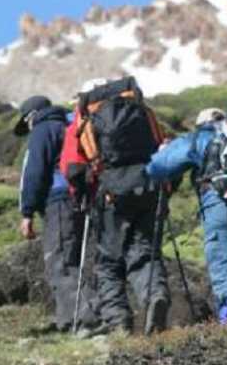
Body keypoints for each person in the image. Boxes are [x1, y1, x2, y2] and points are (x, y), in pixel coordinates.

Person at [61, 77, 170, 335]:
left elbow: (70, 166)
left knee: (108, 261)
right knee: (144, 251)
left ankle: (118, 320)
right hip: (148, 186)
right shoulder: (141, 111)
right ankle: (154, 294)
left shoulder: (84, 119)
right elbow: (162, 146)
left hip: (110, 193)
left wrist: (80, 196)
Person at [145, 108, 227, 324]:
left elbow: (157, 167)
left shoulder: (201, 136)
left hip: (221, 203)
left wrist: (162, 151)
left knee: (224, 269)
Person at [15, 95, 97, 332]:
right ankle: (82, 314)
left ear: (32, 116)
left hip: (58, 200)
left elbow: (34, 172)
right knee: (77, 258)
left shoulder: (43, 129)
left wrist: (27, 211)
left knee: (59, 260)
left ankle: (82, 319)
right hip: (81, 198)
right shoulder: (70, 125)